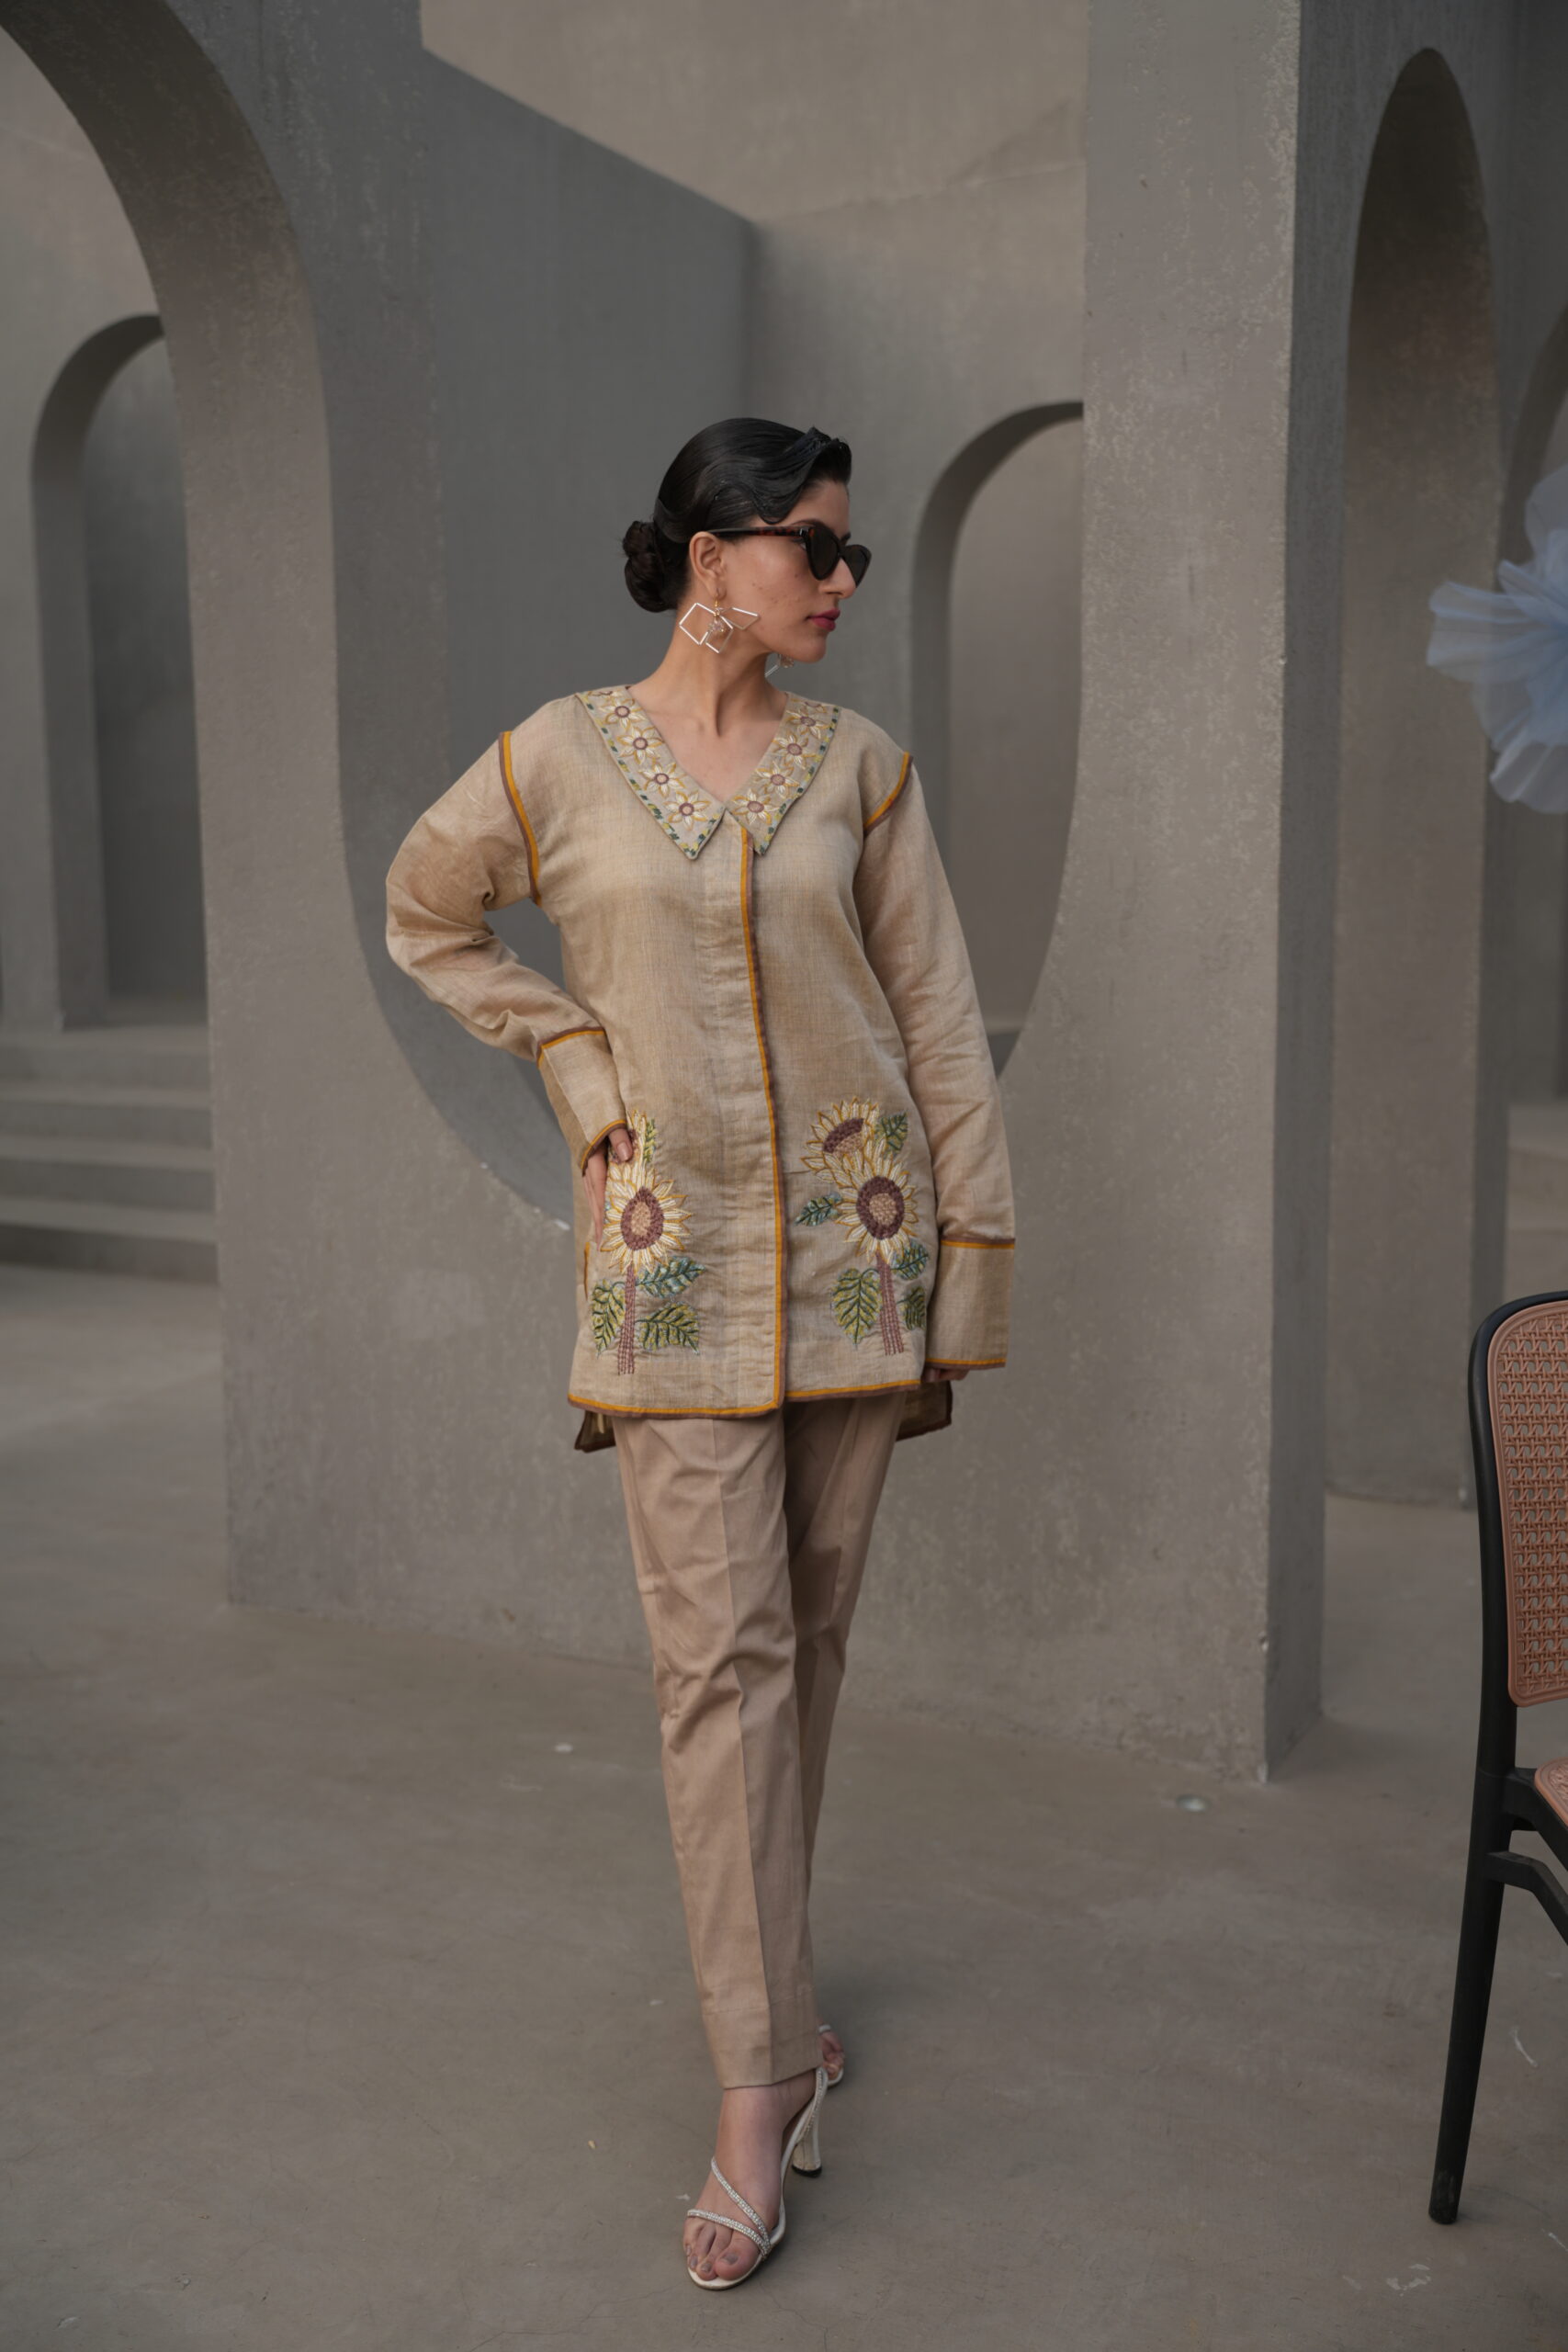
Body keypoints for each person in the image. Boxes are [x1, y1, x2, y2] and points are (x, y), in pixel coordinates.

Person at [383, 416, 1014, 2288]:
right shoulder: (557, 759)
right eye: (817, 544)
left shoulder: (862, 770)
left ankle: (777, 1995)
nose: (841, 578)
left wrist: (968, 1254)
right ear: (712, 554)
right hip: (669, 1276)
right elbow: (427, 911)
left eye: (849, 549)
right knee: (711, 1674)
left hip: (851, 1260)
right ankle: (756, 2086)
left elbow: (939, 1018)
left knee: (799, 1650)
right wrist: (573, 1055)